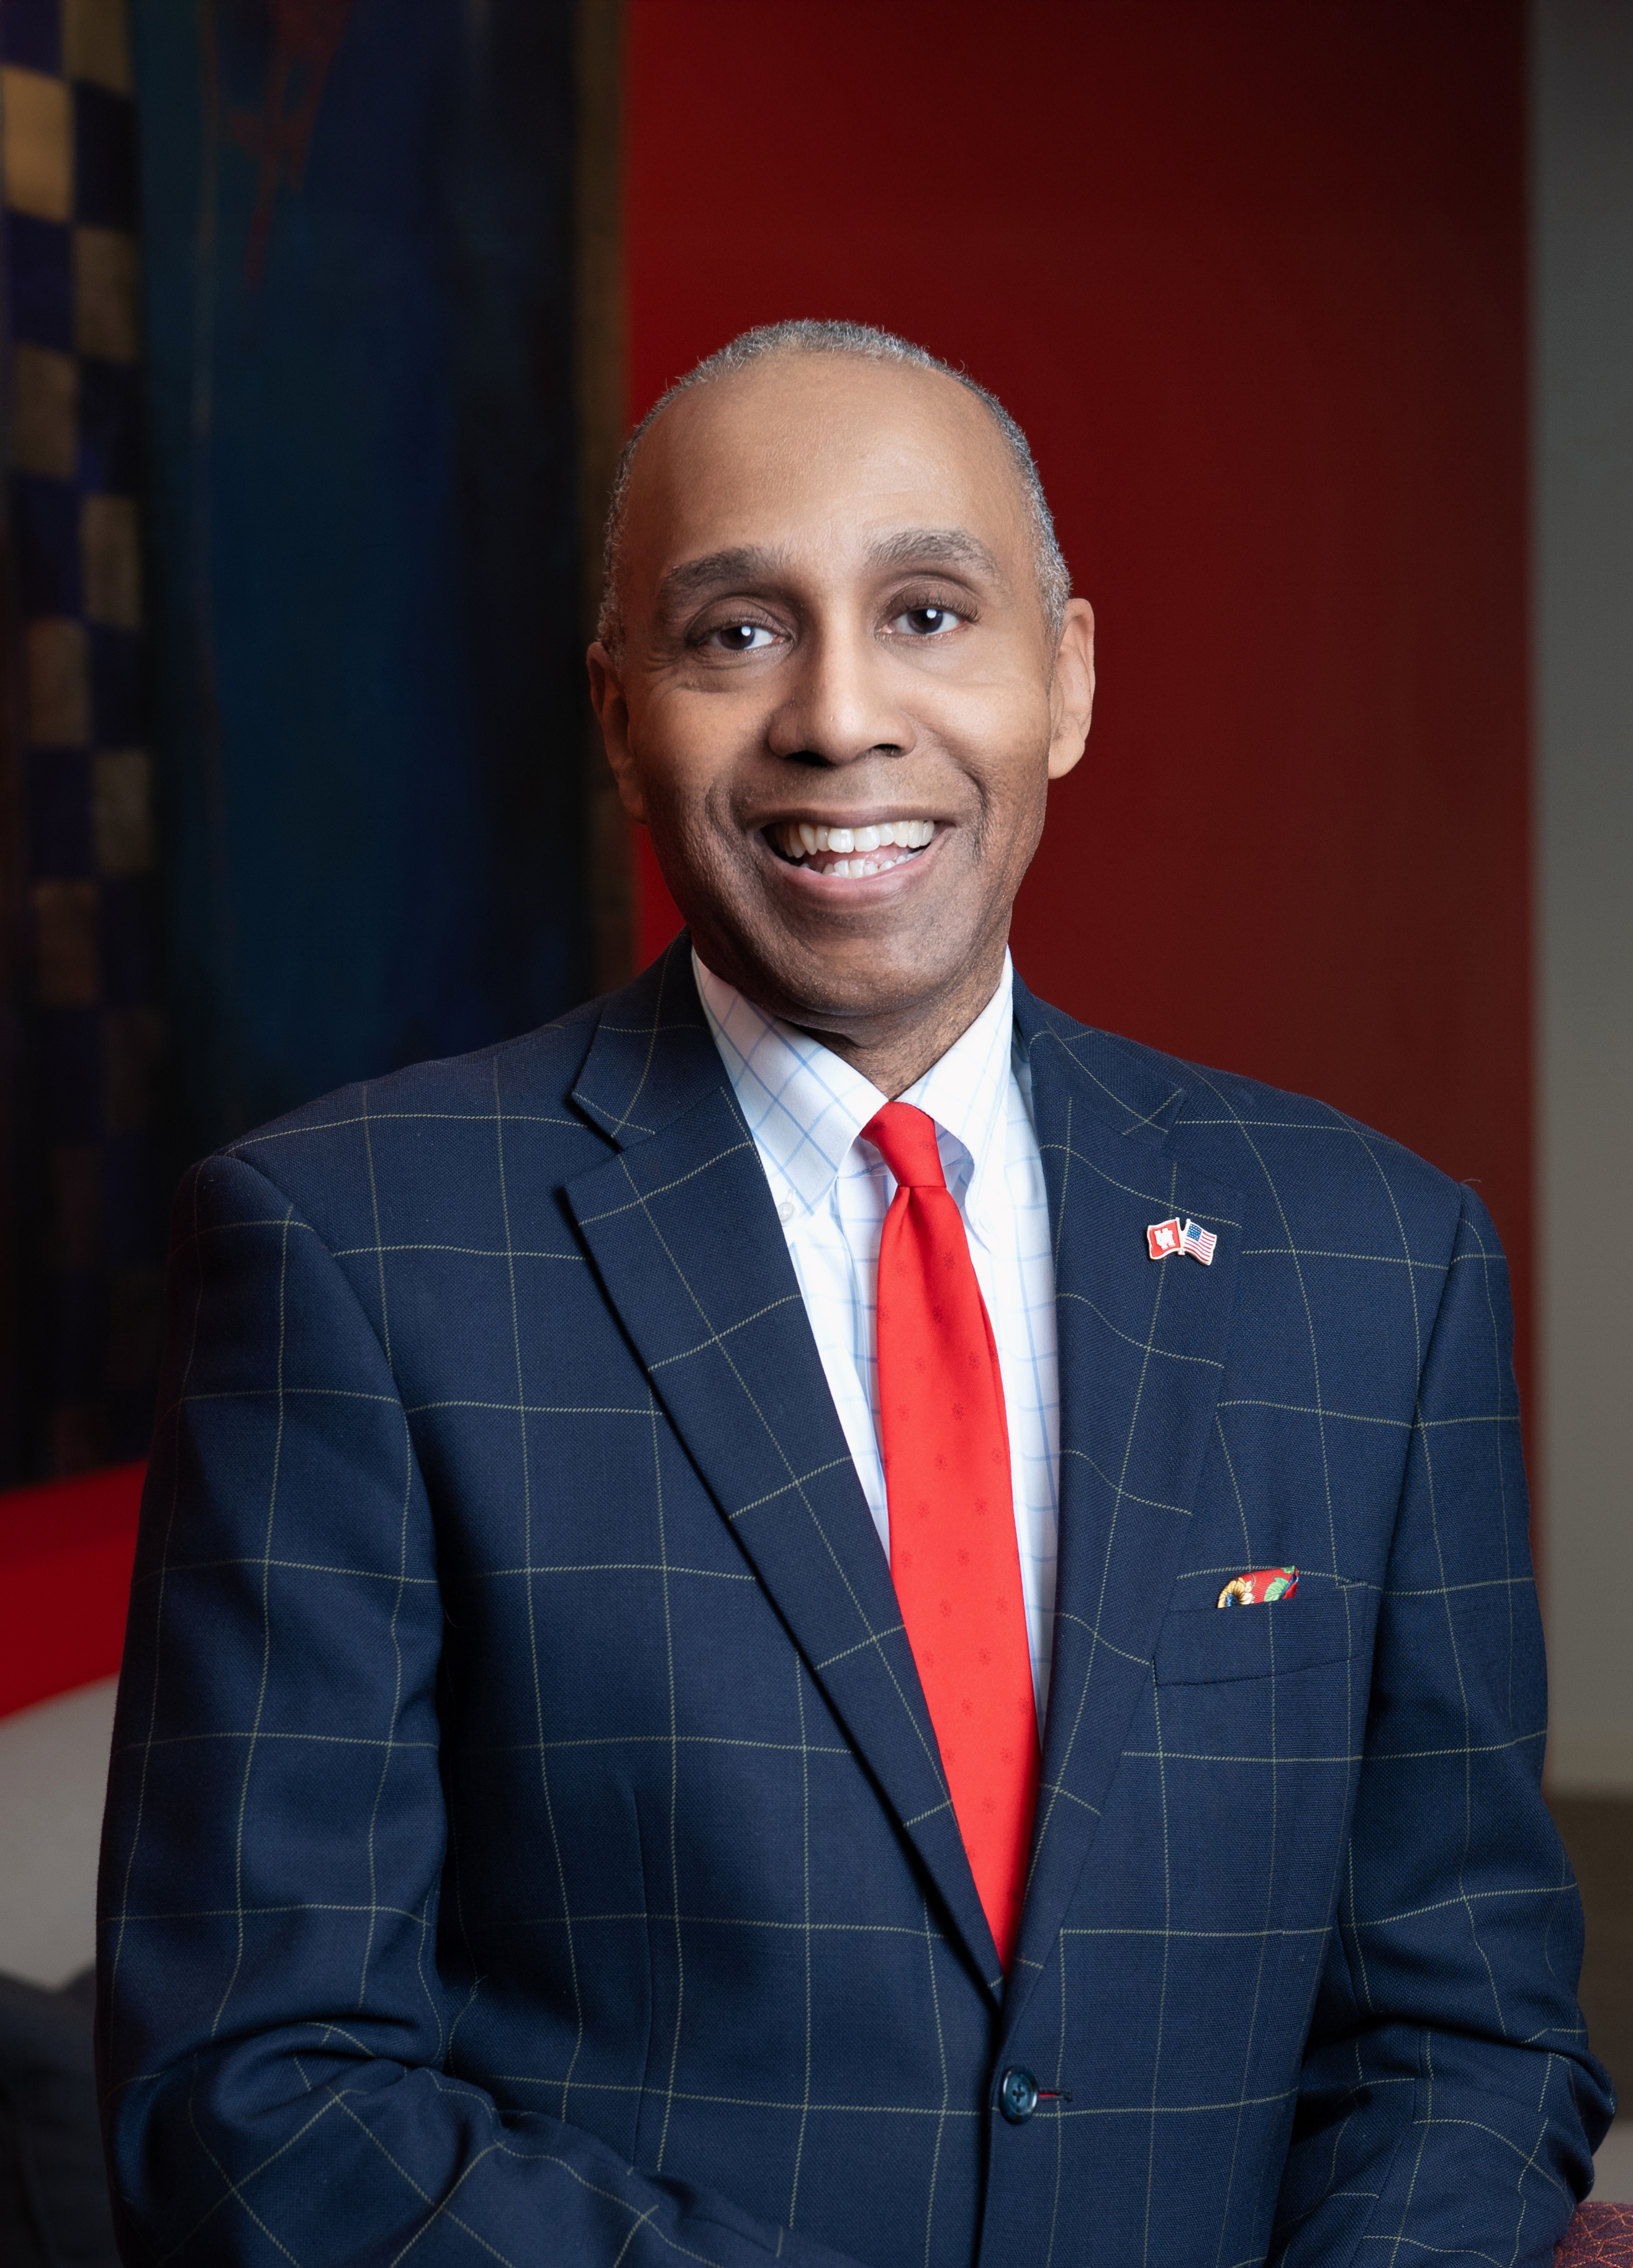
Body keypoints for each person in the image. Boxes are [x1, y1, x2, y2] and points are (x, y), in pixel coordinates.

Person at [96, 320, 1612, 2268]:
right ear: (617, 706)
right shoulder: (347, 1251)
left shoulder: (1378, 1263)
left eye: (926, 611)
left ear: (1065, 675)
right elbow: (256, 2090)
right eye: (736, 634)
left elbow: (1469, 2023)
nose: (838, 717)